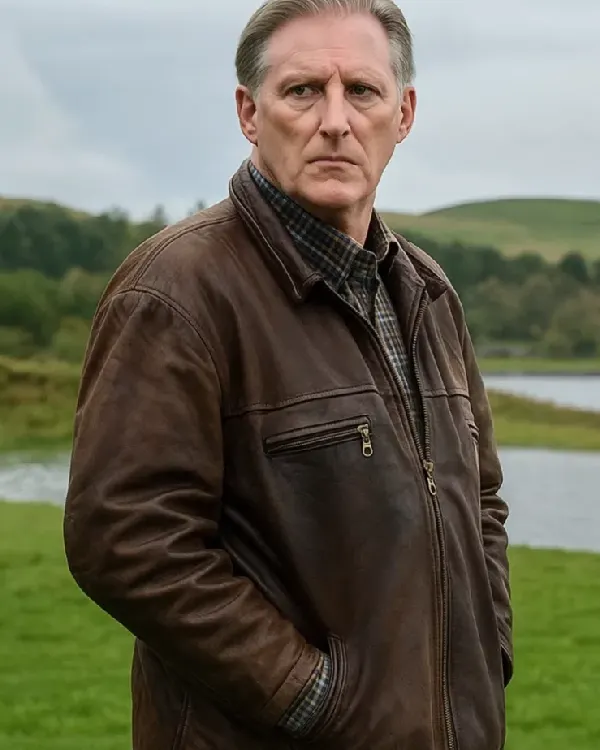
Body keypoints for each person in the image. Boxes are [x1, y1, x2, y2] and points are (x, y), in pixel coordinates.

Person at [63, 1, 513, 748]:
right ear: (249, 112)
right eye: (303, 90)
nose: (335, 121)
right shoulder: (177, 292)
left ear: (403, 114)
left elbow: (481, 501)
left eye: (361, 91)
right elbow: (125, 538)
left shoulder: (429, 293)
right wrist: (313, 699)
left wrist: (487, 651)